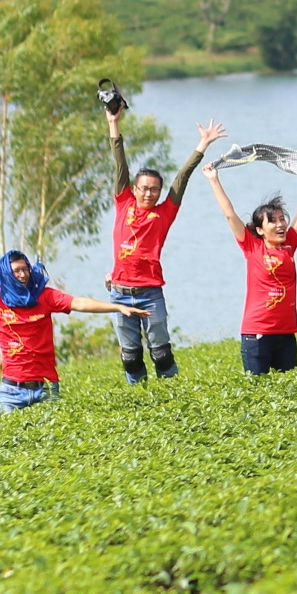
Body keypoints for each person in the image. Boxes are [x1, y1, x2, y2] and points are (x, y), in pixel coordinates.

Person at [103, 99, 224, 385]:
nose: (148, 194)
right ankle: (141, 402)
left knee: (161, 353)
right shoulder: (123, 203)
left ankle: (172, 399)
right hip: (120, 293)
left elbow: (182, 177)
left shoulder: (164, 213)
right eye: (143, 189)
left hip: (150, 292)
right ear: (134, 189)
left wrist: (202, 145)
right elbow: (119, 163)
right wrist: (113, 123)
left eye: (154, 190)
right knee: (130, 356)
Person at [0, 223, 127, 411]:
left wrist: (116, 307)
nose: (22, 275)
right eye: (16, 271)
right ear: (6, 275)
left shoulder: (44, 296)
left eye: (25, 269)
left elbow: (79, 303)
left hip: (45, 387)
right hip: (11, 391)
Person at [200, 154, 297, 375]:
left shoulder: (290, 245)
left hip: (286, 334)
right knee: (258, 393)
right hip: (257, 334)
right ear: (259, 229)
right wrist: (213, 179)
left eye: (281, 219)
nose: (280, 224)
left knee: (287, 392)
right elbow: (230, 214)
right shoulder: (252, 247)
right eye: (272, 221)